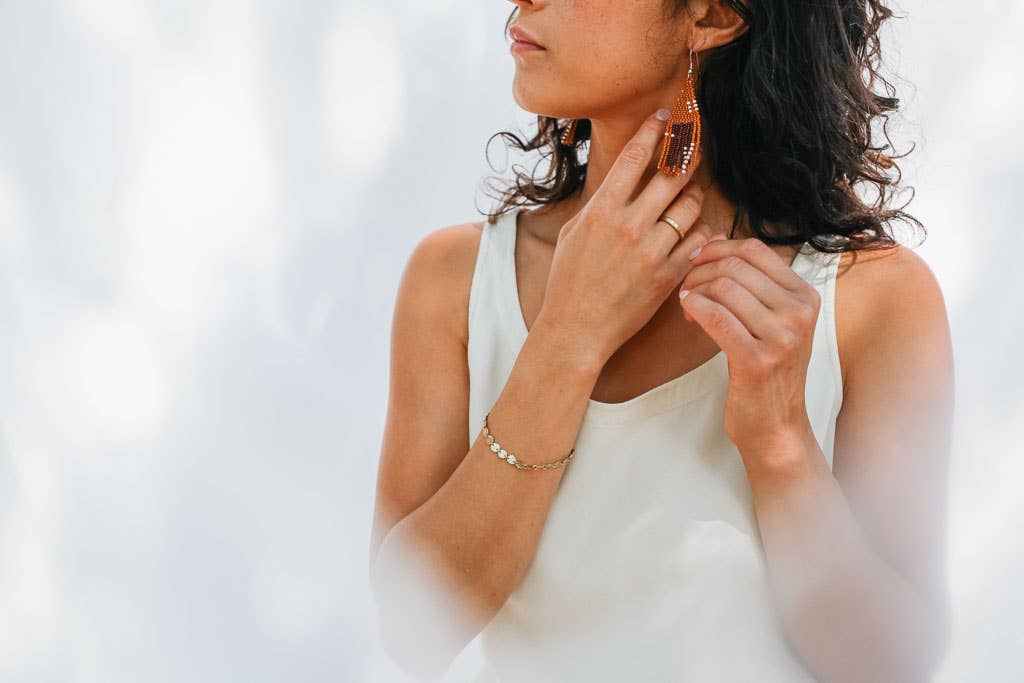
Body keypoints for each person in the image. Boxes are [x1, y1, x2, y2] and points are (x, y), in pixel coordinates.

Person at [370, 1, 953, 681]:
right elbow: (411, 628)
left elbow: (890, 665)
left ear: (709, 17)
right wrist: (566, 340)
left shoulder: (871, 301)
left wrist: (781, 444)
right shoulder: (454, 284)